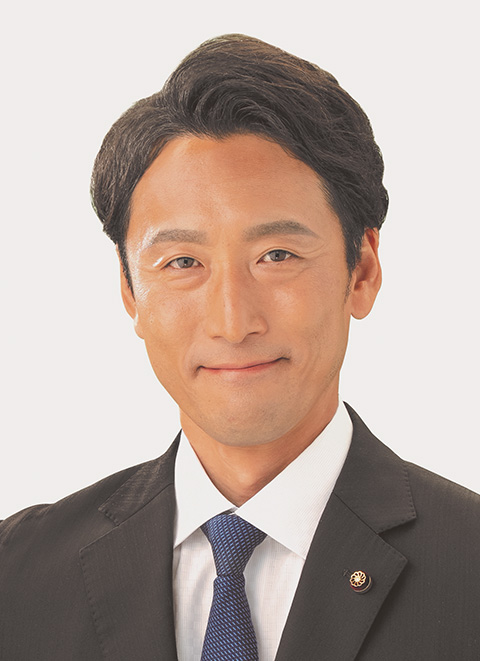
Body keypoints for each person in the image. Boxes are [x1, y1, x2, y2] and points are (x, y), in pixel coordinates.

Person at [1, 33, 479, 661]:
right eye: (182, 262)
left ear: (361, 271)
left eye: (276, 255)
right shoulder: (18, 576)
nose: (232, 322)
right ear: (129, 290)